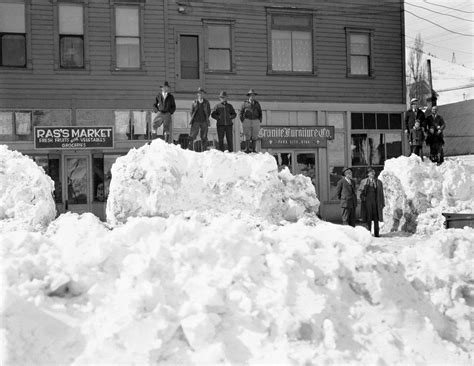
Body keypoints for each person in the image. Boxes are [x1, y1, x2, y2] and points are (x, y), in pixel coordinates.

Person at [359, 167, 385, 237]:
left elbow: (381, 194)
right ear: (368, 174)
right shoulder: (363, 181)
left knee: (376, 218)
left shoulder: (379, 182)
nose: (373, 173)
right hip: (367, 202)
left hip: (376, 202)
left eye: (373, 172)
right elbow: (360, 193)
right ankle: (368, 234)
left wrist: (382, 203)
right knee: (368, 218)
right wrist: (363, 198)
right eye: (371, 172)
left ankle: (377, 234)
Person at [239, 89, 262, 153]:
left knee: (255, 135)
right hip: (247, 120)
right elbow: (241, 112)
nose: (252, 96)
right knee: (247, 134)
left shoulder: (257, 103)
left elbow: (260, 112)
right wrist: (243, 120)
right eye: (251, 95)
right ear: (249, 96)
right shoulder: (244, 103)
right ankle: (247, 149)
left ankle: (254, 149)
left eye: (253, 95)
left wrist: (259, 120)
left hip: (255, 120)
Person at [188, 87, 211, 152]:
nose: (201, 94)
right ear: (197, 94)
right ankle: (190, 150)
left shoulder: (206, 102)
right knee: (192, 135)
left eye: (202, 93)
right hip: (196, 121)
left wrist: (206, 118)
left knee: (204, 136)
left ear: (203, 94)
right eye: (199, 93)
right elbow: (191, 112)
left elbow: (208, 112)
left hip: (204, 121)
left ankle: (204, 150)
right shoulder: (194, 102)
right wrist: (194, 119)